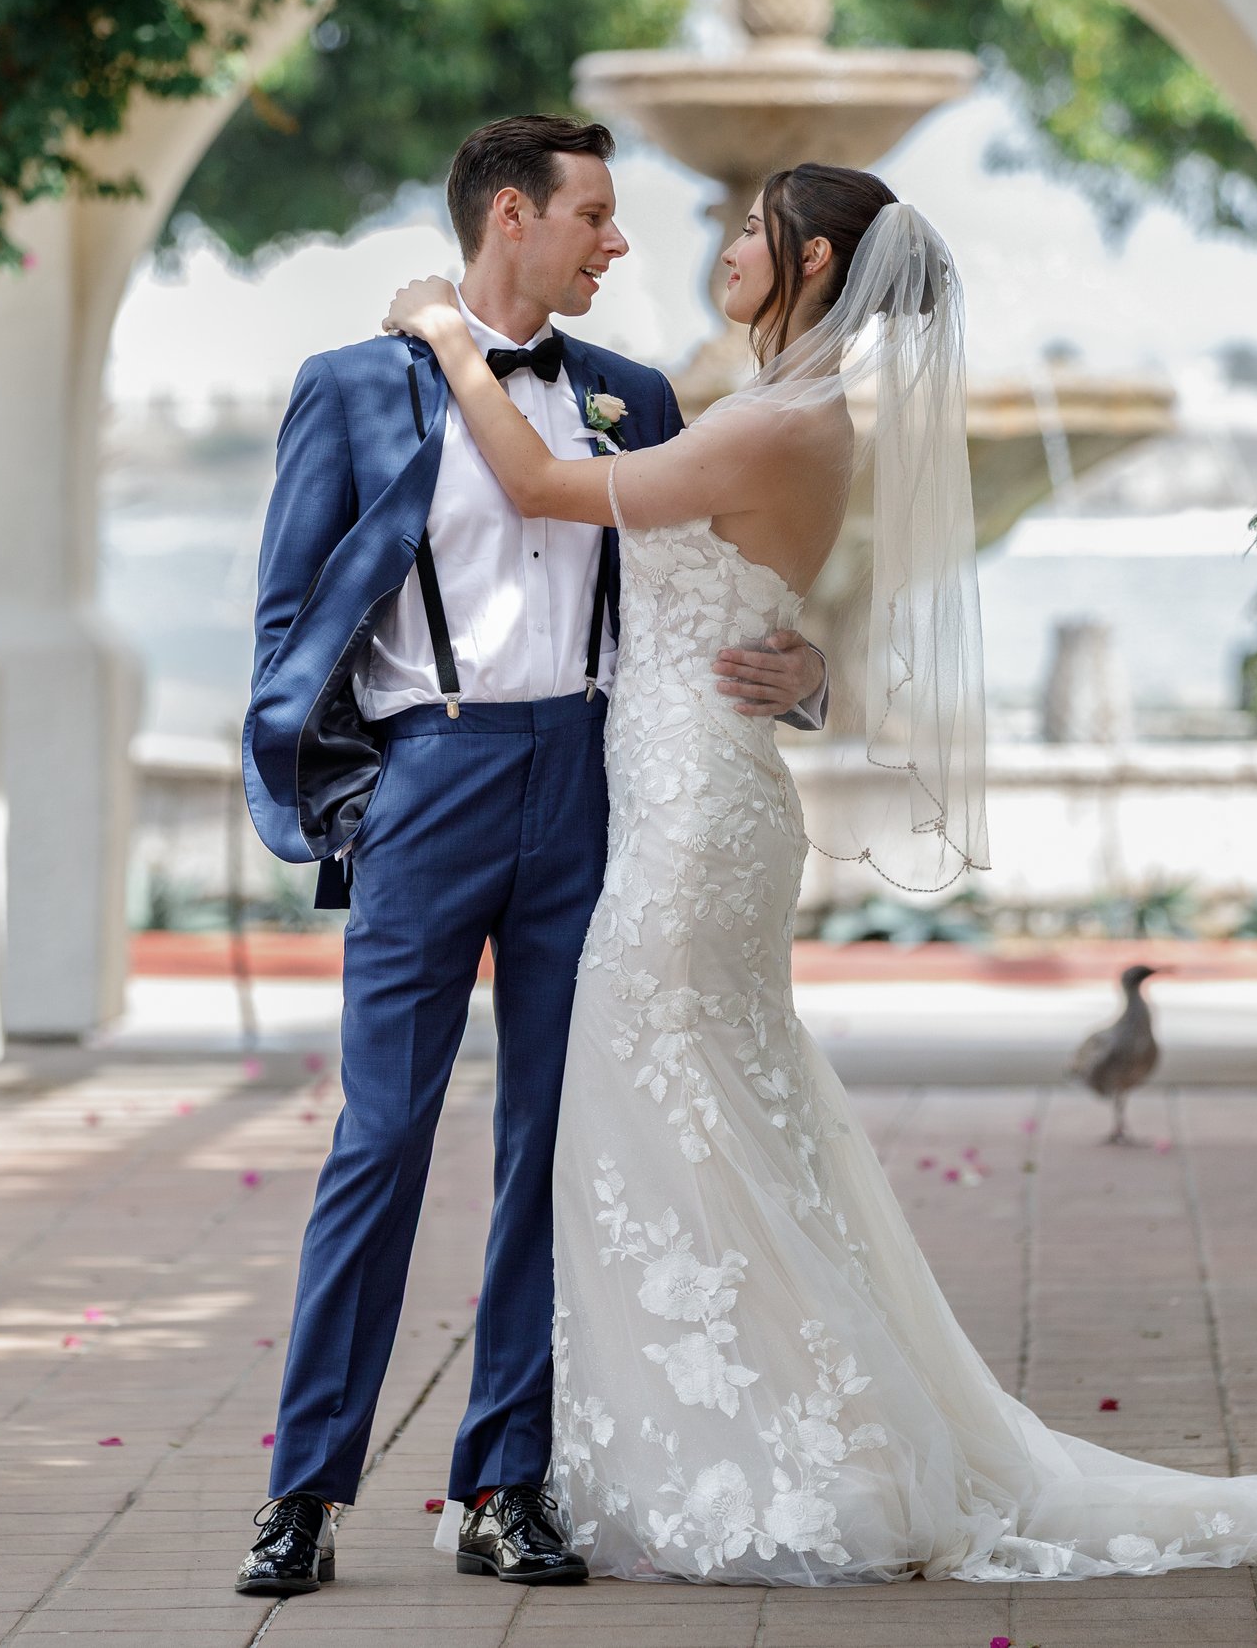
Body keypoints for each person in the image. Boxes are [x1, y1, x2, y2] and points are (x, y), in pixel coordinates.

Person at [381, 161, 1257, 1584]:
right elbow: (737, 605)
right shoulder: (771, 415)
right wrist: (813, 676)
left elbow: (546, 484)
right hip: (687, 790)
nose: (726, 245)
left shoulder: (786, 423)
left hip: (692, 821)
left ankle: (768, 1456)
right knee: (699, 1126)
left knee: (672, 1120)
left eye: (753, 229)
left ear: (812, 265)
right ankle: (678, 1440)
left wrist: (445, 329)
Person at [235, 114, 831, 1597]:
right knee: (382, 1139)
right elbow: (283, 632)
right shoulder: (353, 389)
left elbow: (721, 585)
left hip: (590, 789)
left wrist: (806, 676)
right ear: (514, 216)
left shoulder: (629, 397)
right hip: (425, 779)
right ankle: (305, 1494)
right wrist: (347, 806)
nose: (620, 244)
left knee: (557, 1148)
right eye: (595, 216)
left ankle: (507, 1482)